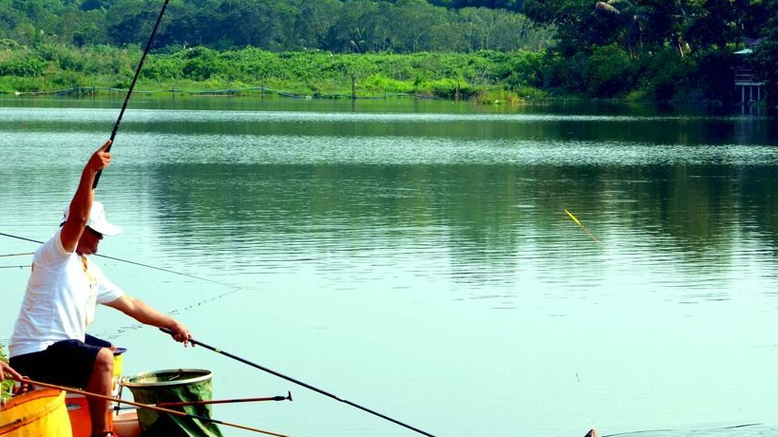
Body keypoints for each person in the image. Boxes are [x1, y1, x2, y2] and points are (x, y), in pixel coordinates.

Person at [8, 140, 192, 437]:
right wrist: (90, 172)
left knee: (108, 350)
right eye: (98, 234)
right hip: (35, 352)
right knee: (102, 359)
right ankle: (100, 433)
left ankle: (86, 415)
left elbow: (131, 304)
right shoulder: (54, 255)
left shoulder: (89, 270)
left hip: (60, 347)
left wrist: (172, 324)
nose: (101, 240)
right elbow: (78, 217)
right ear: (81, 231)